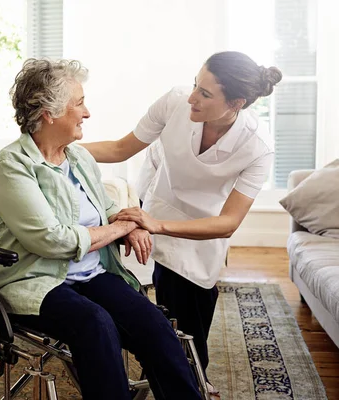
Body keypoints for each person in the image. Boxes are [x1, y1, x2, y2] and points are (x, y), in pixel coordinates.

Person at [0, 58, 201, 400]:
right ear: (49, 113)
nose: (86, 113)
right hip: (34, 279)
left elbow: (104, 209)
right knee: (95, 323)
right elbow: (53, 241)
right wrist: (119, 229)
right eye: (79, 103)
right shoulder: (13, 164)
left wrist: (127, 223)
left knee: (153, 325)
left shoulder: (80, 158)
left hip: (89, 274)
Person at [82, 51, 283, 398]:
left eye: (205, 94)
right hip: (158, 211)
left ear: (237, 103)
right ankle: (181, 377)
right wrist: (59, 146)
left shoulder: (257, 148)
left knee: (190, 320)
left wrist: (157, 225)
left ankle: (191, 376)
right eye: (195, 85)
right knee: (166, 315)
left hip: (204, 230)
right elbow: (120, 148)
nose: (192, 96)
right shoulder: (176, 101)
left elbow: (228, 222)